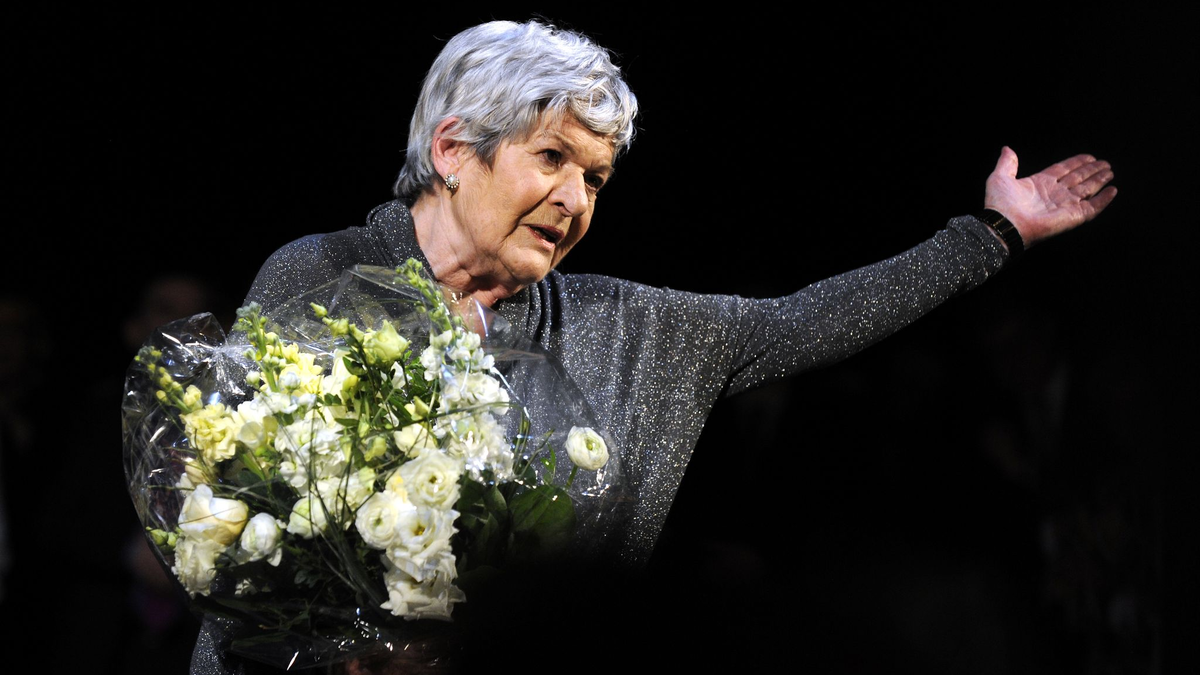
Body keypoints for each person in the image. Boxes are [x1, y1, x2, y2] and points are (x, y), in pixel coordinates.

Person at [188, 18, 1116, 674]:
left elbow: (803, 319)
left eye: (595, 177)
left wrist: (990, 237)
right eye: (551, 160)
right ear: (454, 149)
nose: (575, 200)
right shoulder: (324, 276)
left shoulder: (628, 330)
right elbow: (225, 514)